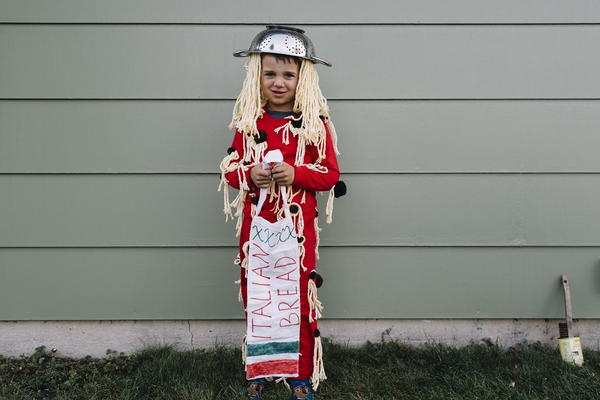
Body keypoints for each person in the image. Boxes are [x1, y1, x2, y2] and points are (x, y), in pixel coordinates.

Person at [218, 25, 346, 400]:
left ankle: (299, 372)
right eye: (270, 73)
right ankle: (258, 370)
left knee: (296, 300)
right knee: (259, 295)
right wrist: (250, 175)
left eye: (288, 74)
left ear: (303, 78)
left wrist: (296, 173)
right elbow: (229, 169)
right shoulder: (248, 122)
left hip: (297, 231)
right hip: (256, 231)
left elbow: (330, 174)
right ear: (256, 75)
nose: (278, 82)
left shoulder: (313, 125)